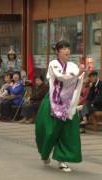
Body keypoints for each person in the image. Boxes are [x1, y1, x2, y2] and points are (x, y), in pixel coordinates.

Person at [35, 40, 85, 172]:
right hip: (53, 101)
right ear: (57, 51)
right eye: (63, 48)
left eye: (68, 48)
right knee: (49, 131)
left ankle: (62, 159)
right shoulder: (53, 64)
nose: (67, 50)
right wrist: (78, 73)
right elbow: (60, 77)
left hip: (68, 103)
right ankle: (45, 154)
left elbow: (77, 81)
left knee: (67, 132)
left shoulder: (73, 66)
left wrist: (82, 73)